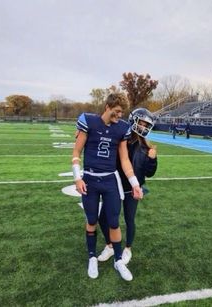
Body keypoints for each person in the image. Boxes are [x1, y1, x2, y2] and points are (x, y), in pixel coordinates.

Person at [72, 93, 143, 281]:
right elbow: (76, 151)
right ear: (107, 106)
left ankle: (118, 260)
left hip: (111, 180)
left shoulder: (122, 128)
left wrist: (135, 183)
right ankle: (92, 257)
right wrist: (77, 177)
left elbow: (125, 159)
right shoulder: (89, 121)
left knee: (113, 221)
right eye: (117, 111)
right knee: (92, 220)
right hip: (90, 179)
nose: (120, 115)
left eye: (122, 112)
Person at [98, 108, 158, 265]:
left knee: (129, 219)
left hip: (133, 189)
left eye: (147, 125)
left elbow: (149, 173)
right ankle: (110, 245)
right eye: (142, 123)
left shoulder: (146, 148)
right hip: (114, 186)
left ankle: (128, 248)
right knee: (103, 218)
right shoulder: (120, 139)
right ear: (133, 120)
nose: (144, 127)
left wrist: (152, 159)